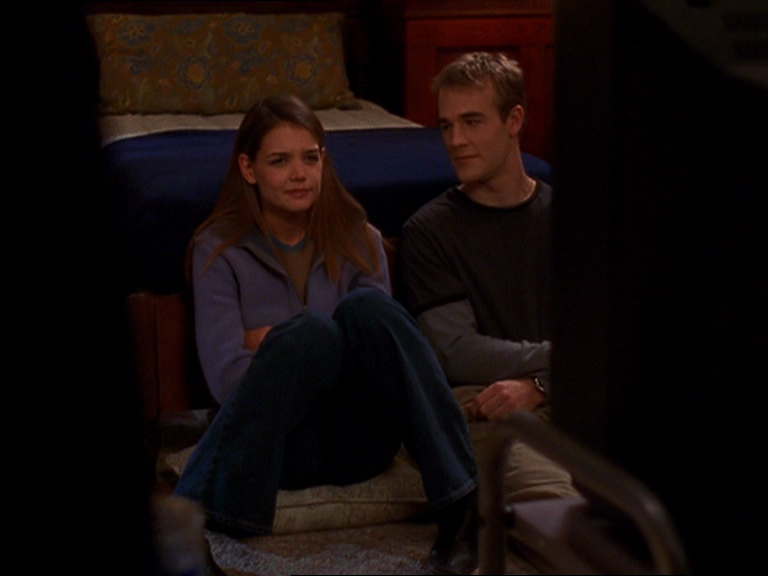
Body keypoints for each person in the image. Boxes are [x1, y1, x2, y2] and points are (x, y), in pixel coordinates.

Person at [173, 94, 479, 574]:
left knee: (366, 311)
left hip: (358, 439)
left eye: (310, 158)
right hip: (278, 443)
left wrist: (266, 338)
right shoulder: (218, 249)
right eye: (280, 161)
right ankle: (199, 516)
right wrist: (304, 343)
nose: (299, 174)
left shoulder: (359, 236)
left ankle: (461, 510)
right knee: (314, 333)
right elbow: (226, 377)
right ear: (249, 169)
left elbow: (379, 347)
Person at [400, 52, 579, 506]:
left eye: (472, 122)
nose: (456, 140)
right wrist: (563, 361)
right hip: (488, 403)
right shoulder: (429, 231)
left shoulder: (570, 217)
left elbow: (609, 338)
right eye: (446, 126)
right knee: (556, 507)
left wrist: (543, 384)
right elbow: (457, 352)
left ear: (514, 120)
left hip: (566, 390)